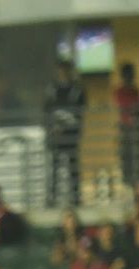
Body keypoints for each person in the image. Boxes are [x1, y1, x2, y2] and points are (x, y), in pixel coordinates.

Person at [43, 60, 85, 208]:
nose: (62, 73)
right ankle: (52, 198)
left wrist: (67, 127)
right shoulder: (52, 89)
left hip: (71, 136)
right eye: (60, 70)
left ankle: (76, 197)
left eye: (65, 70)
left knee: (73, 167)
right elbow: (46, 110)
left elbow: (80, 111)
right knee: (55, 168)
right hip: (56, 136)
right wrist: (53, 128)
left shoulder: (76, 90)